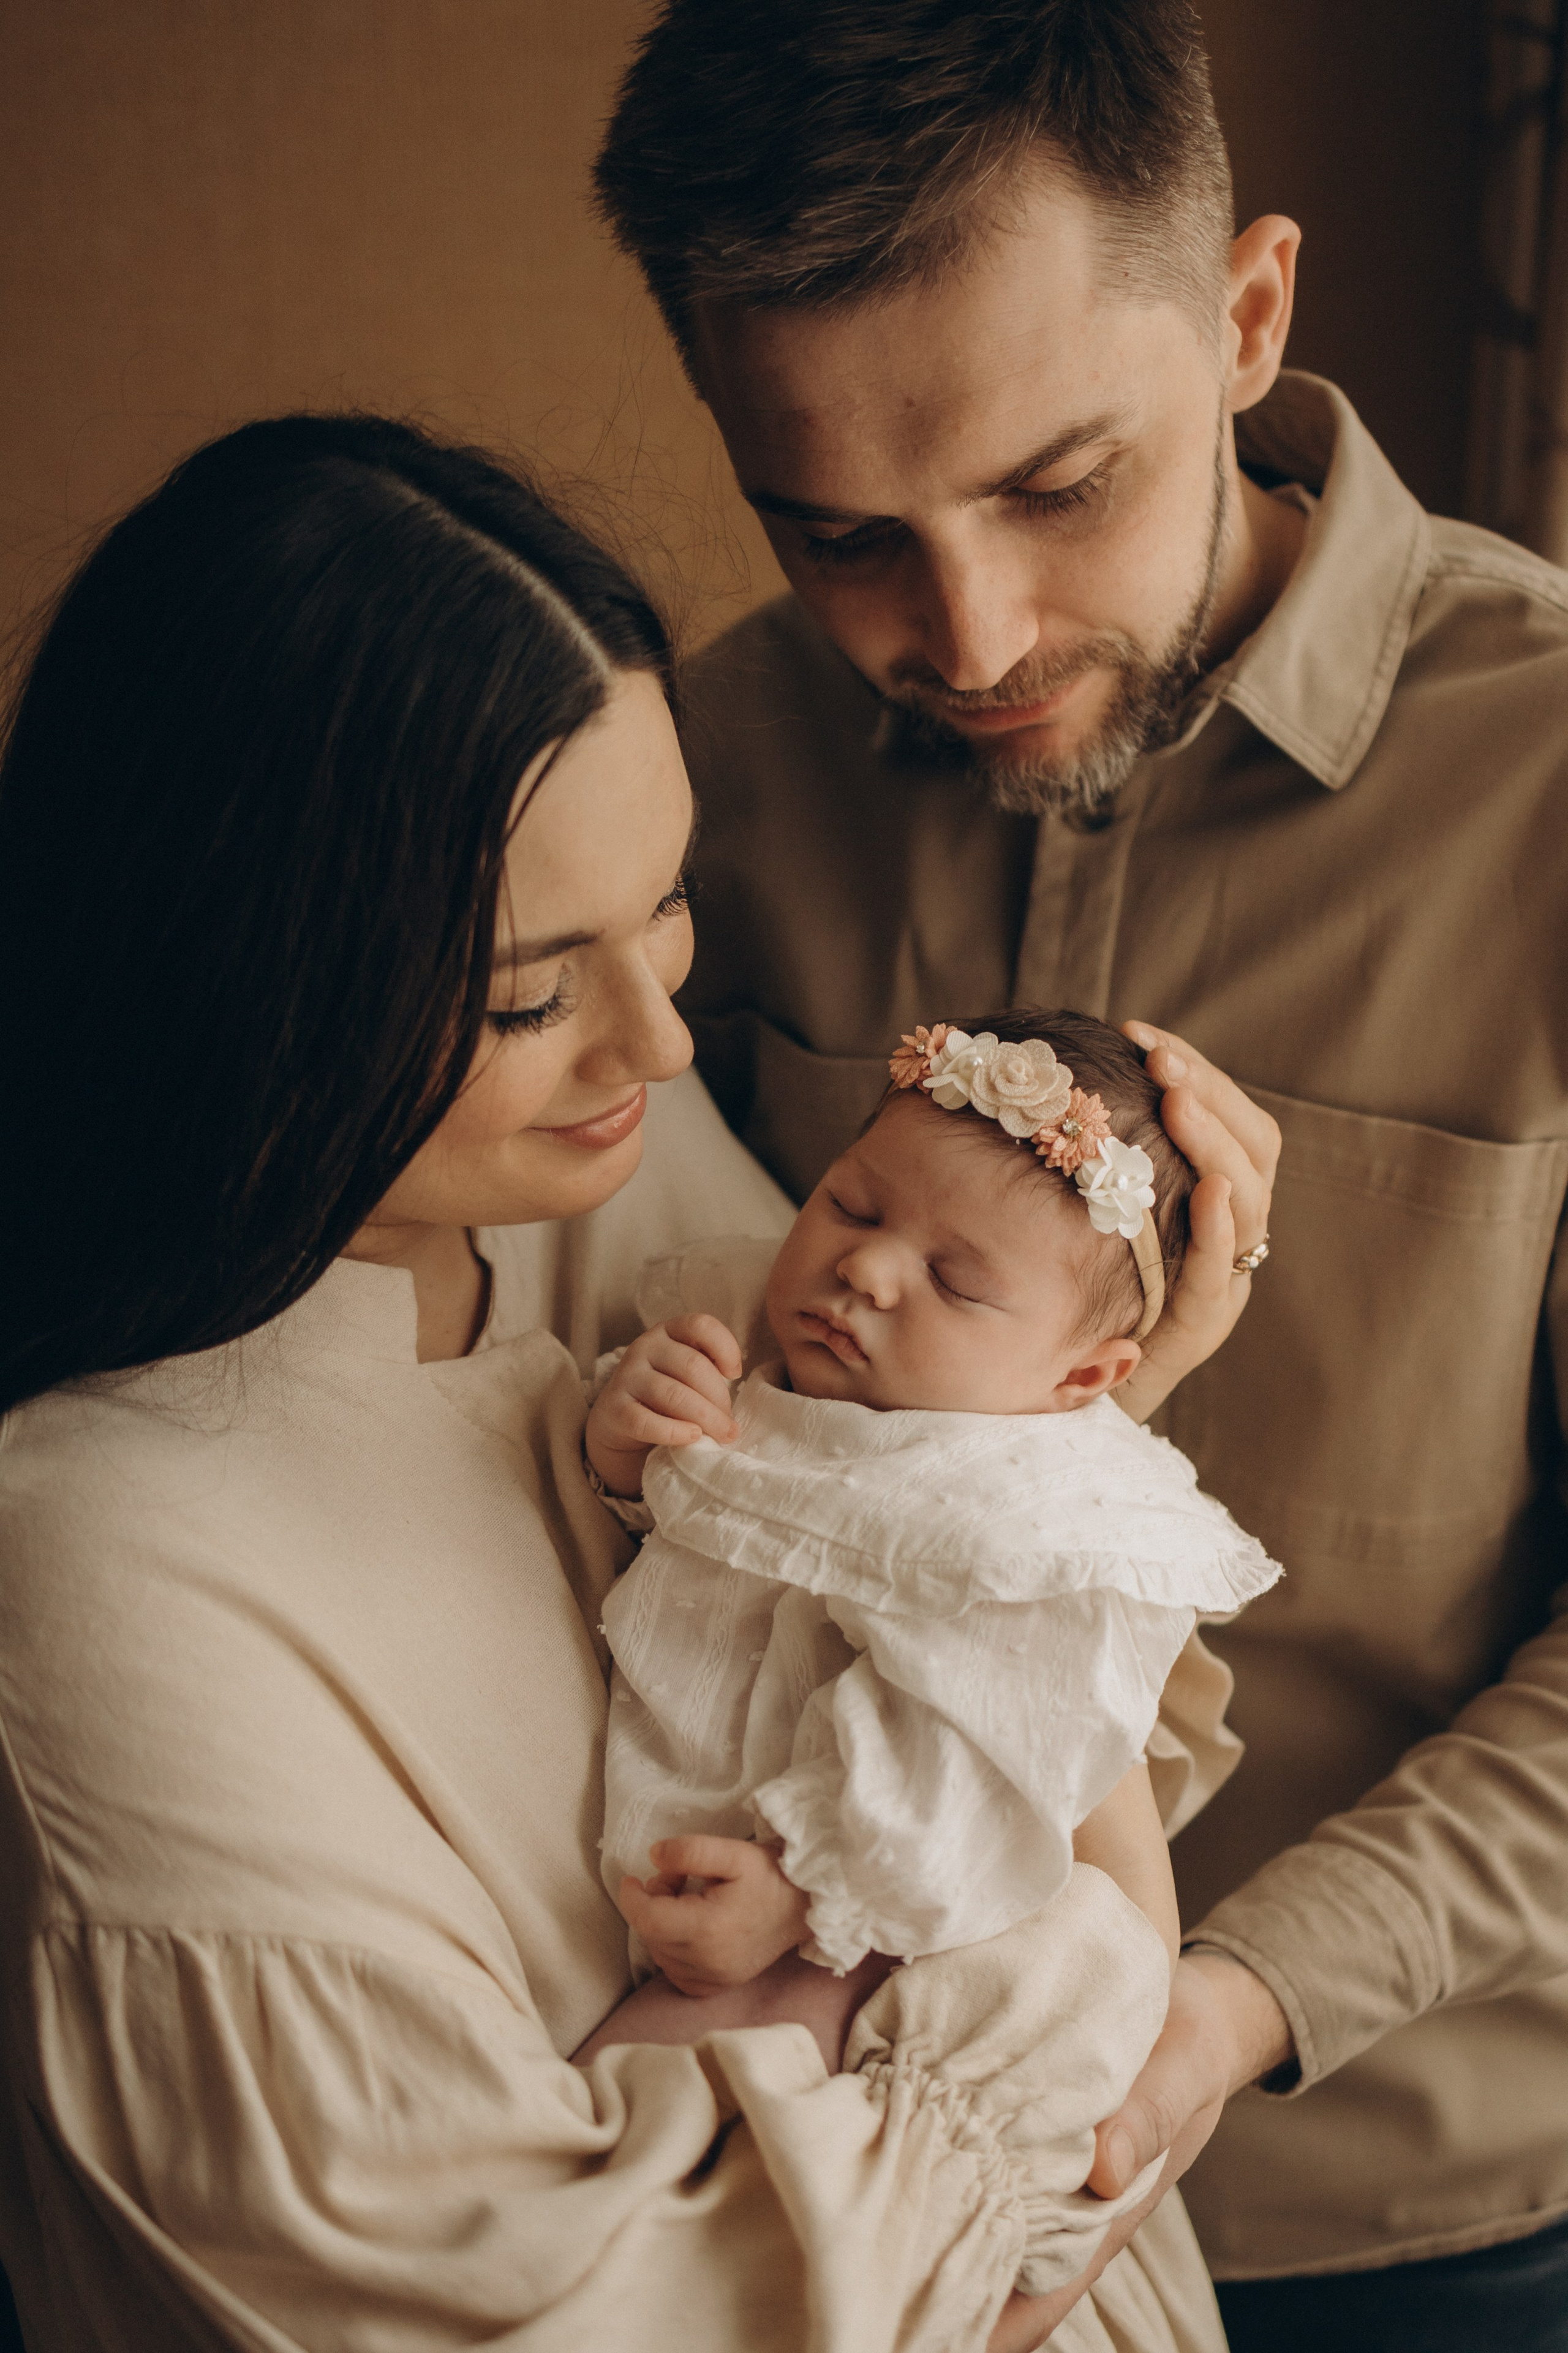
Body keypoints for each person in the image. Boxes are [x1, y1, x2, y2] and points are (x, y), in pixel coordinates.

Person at [0, 414, 1264, 2353]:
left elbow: (989, 1588)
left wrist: (1082, 1421)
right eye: (529, 990)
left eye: (669, 905)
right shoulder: (104, 1549)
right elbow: (617, 2314)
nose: (660, 1039)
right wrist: (1075, 2022)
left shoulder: (576, 1177)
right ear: (243, 972)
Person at [592, 2, 1568, 2345]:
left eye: (1058, 485)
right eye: (840, 535)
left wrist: (1224, 1999)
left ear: (1246, 317)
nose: (970, 636)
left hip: (1402, 2205)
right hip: (799, 2160)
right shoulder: (698, 765)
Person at [582, 1010, 1280, 2314]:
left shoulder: (1027, 1517)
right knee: (637, 2147)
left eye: (956, 1282)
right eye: (850, 1205)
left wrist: (805, 1883)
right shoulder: (778, 1363)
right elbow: (717, 1567)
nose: (868, 1272)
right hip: (730, 1888)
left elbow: (979, 1745)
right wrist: (635, 1460)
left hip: (894, 1933)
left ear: (1088, 1374)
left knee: (663, 2181)